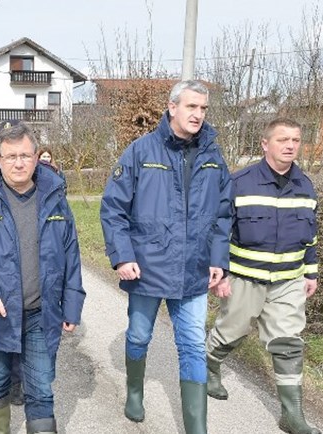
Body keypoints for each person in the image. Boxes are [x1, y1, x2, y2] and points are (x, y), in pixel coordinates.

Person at [99, 80, 232, 434]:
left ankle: (196, 429)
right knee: (140, 335)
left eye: (203, 109)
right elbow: (113, 208)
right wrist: (122, 256)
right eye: (191, 107)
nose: (198, 115)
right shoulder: (140, 152)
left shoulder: (213, 157)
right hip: (147, 268)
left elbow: (223, 214)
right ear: (172, 107)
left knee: (191, 343)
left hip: (194, 270)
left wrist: (219, 259)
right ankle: (134, 391)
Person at [0, 120, 85, 434]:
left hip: (42, 313)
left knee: (40, 387)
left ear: (37, 156)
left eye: (25, 155)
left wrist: (73, 305)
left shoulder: (55, 198)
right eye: (11, 156)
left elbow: (72, 255)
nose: (19, 163)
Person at [206, 118, 321, 434]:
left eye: (295, 140)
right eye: (283, 139)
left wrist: (310, 272)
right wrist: (221, 274)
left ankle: (292, 415)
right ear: (265, 143)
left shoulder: (305, 186)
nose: (290, 146)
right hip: (245, 278)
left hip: (289, 280)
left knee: (288, 342)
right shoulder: (239, 182)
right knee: (231, 331)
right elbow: (219, 231)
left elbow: (310, 235)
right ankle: (210, 366)